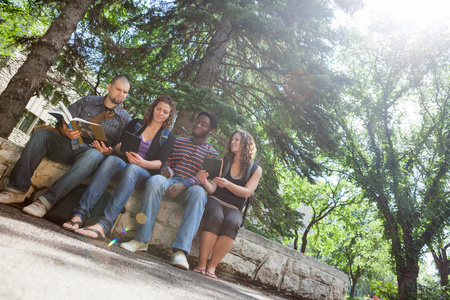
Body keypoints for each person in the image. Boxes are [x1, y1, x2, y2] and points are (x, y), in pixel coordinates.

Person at [0, 75, 132, 218]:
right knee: (42, 134)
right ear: (109, 87)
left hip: (89, 158)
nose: (121, 94)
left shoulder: (126, 120)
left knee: (94, 155)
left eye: (125, 92)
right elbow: (64, 122)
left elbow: (118, 151)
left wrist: (108, 152)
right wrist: (66, 131)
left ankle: (44, 203)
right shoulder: (88, 101)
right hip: (68, 146)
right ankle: (16, 191)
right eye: (118, 89)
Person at [61, 95, 176, 240]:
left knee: (133, 168)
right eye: (159, 109)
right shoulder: (135, 124)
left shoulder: (168, 137)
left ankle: (104, 225)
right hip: (124, 163)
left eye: (165, 112)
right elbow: (117, 146)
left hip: (143, 172)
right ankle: (79, 214)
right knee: (112, 160)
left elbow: (160, 162)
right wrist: (123, 147)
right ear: (153, 108)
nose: (160, 113)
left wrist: (142, 163)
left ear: (169, 115)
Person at [119, 111, 220, 271]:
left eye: (203, 124)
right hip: (170, 181)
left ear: (211, 130)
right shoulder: (178, 142)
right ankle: (141, 241)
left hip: (190, 190)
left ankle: (180, 252)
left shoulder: (212, 154)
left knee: (200, 194)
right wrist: (165, 169)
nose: (198, 125)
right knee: (155, 181)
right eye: (197, 121)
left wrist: (185, 184)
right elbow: (165, 162)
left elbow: (208, 183)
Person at [193, 130, 262, 279]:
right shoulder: (223, 162)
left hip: (234, 208)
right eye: (232, 139)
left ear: (246, 145)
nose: (233, 142)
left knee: (233, 222)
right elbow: (212, 188)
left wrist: (228, 184)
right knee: (216, 217)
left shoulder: (255, 169)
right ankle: (201, 263)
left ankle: (212, 267)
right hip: (215, 200)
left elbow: (246, 192)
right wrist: (203, 180)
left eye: (237, 140)